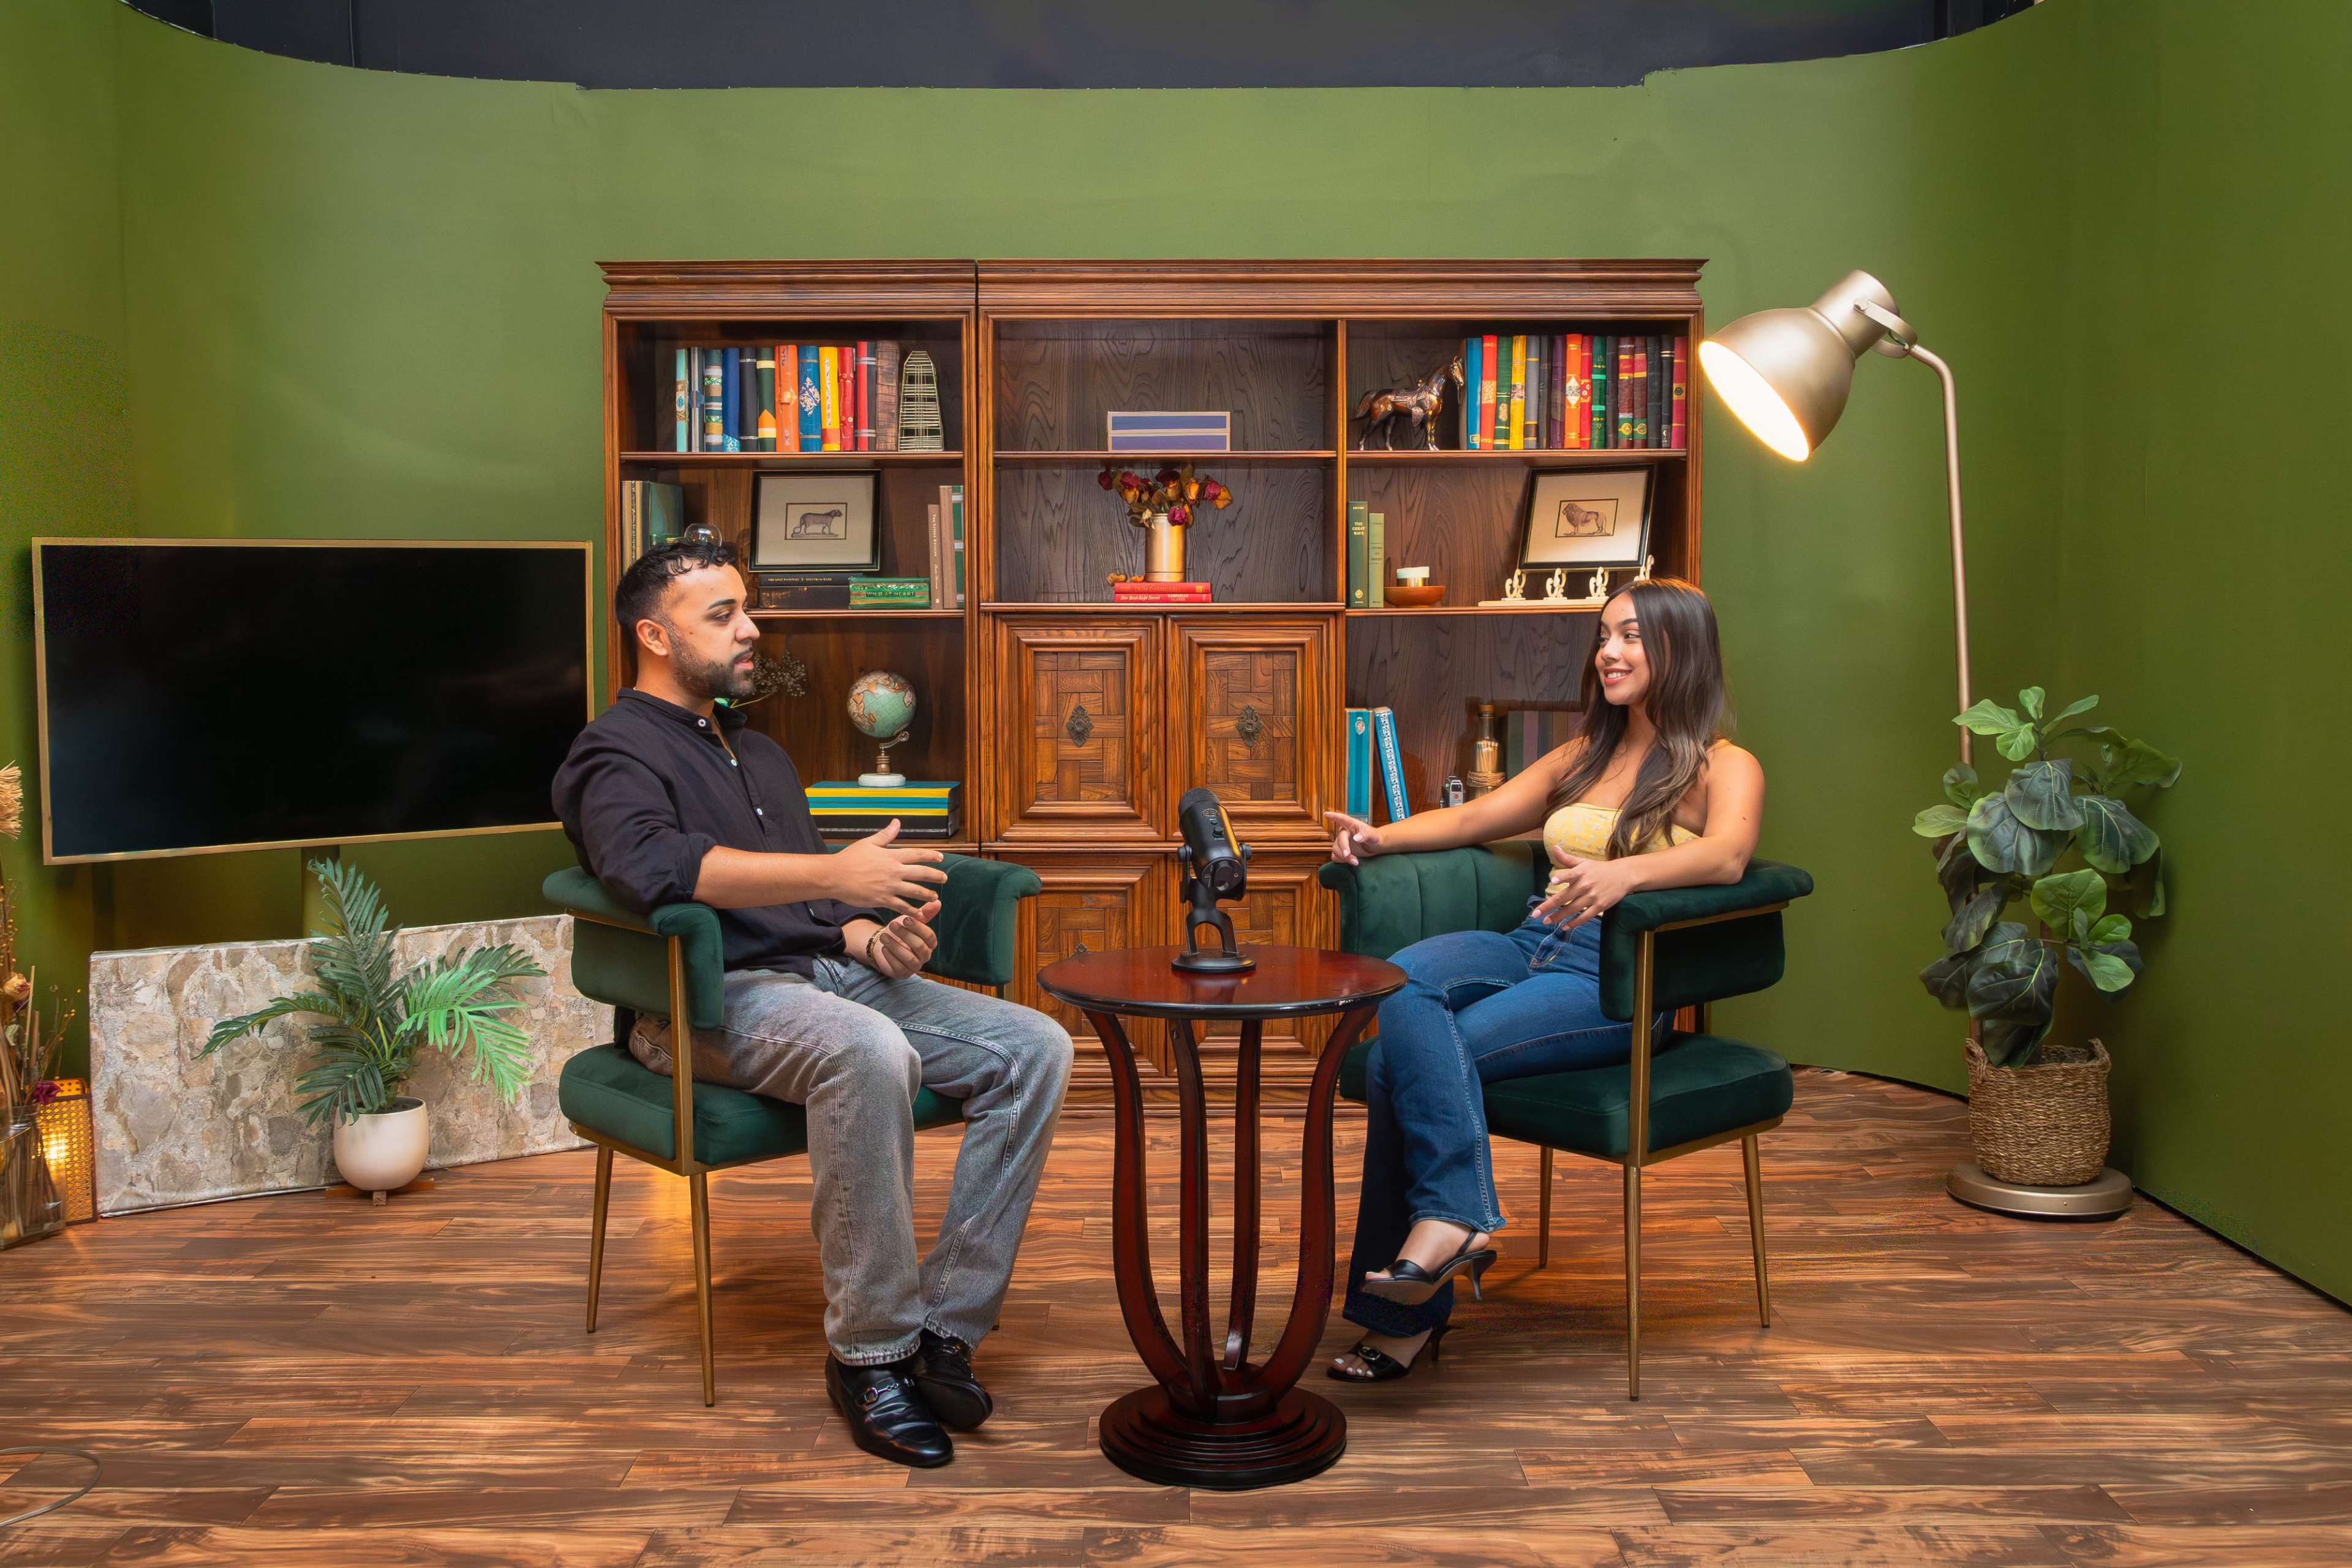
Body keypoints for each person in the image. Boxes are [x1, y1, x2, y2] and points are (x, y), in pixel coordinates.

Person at [551, 538, 1074, 1468]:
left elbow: (813, 913)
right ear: (653, 636)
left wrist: (874, 937)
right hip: (703, 1007)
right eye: (723, 615)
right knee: (868, 1049)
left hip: (823, 978)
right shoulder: (612, 752)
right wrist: (837, 870)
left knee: (1036, 1046)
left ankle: (944, 1329)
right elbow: (652, 870)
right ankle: (869, 1355)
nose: (750, 630)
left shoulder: (760, 754)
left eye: (747, 609)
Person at [1319, 577, 1763, 1382]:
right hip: (1532, 939)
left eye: (1631, 636)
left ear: (1681, 645)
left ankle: (1407, 1315)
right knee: (1402, 977)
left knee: (1393, 1065)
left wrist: (1628, 876)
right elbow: (1469, 819)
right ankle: (1454, 1222)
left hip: (1616, 978)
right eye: (1603, 637)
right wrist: (1379, 838)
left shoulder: (1722, 766)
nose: (1610, 652)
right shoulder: (1583, 753)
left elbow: (1728, 855)